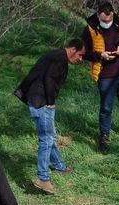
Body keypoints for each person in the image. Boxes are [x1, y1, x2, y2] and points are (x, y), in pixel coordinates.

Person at [15, 39, 85, 194]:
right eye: (80, 55)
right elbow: (49, 80)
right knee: (46, 139)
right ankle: (42, 178)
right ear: (73, 49)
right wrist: (51, 102)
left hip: (37, 98)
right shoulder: (59, 59)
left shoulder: (55, 55)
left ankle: (59, 165)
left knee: (49, 135)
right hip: (42, 101)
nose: (81, 59)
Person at [82, 2, 119, 152]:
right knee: (106, 108)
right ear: (98, 15)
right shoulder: (89, 28)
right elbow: (84, 52)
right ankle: (104, 136)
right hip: (105, 75)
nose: (107, 22)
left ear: (113, 14)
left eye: (109, 19)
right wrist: (100, 55)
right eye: (104, 20)